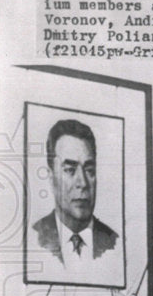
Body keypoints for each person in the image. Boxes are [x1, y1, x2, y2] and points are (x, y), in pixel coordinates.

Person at [31, 119, 123, 286]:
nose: (82, 183)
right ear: (51, 178)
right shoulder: (33, 239)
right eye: (70, 170)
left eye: (89, 170)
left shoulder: (114, 243)